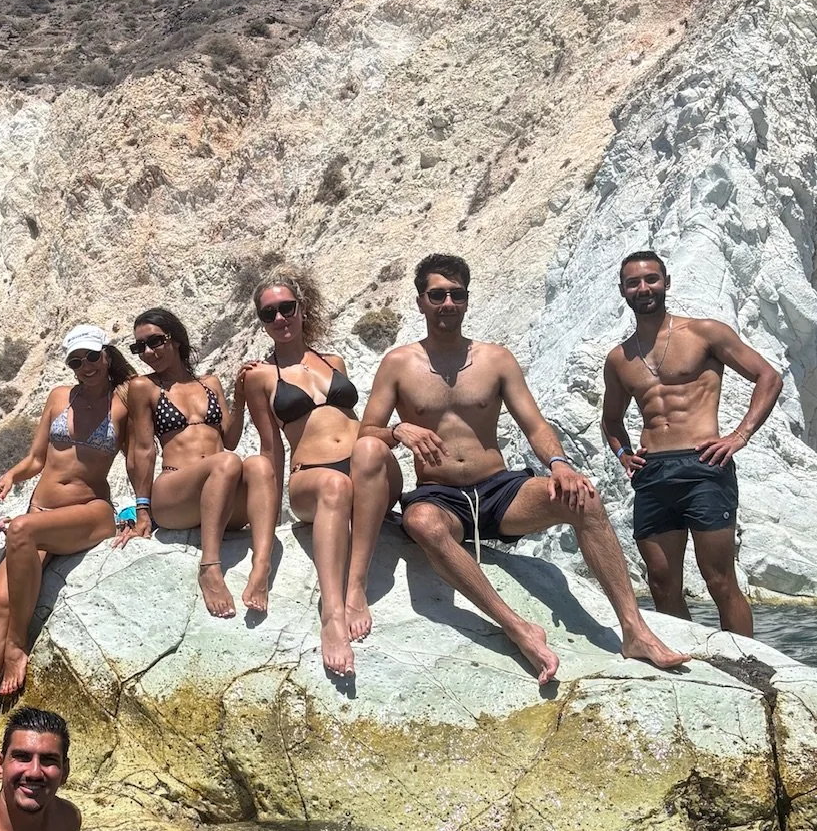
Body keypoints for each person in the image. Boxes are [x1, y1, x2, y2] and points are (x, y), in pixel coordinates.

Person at [347, 254, 689, 684]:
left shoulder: (495, 359)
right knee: (421, 523)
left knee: (583, 498)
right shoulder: (399, 363)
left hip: (498, 491)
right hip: (441, 496)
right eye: (437, 295)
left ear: (467, 301)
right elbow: (368, 433)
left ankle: (635, 631)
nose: (447, 303)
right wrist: (400, 431)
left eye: (456, 295)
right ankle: (518, 628)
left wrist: (560, 464)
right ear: (421, 302)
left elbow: (534, 424)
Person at [0, 327, 132, 769]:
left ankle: (17, 646)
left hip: (89, 512)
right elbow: (37, 458)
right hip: (38, 513)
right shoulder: (59, 397)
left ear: (107, 355)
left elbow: (142, 455)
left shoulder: (127, 400)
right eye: (75, 362)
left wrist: (141, 513)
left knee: (20, 531)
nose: (84, 368)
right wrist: (12, 476)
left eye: (91, 358)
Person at [601, 249, 782, 636]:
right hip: (652, 474)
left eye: (651, 279)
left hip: (703, 466)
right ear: (623, 290)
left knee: (719, 580)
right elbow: (611, 420)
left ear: (666, 282)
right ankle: (691, 665)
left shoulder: (705, 333)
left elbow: (768, 377)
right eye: (634, 282)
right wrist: (623, 454)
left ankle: (748, 664)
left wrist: (739, 435)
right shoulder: (619, 359)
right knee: (662, 584)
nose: (643, 287)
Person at [229, 268, 366, 673]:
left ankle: (356, 586)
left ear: (302, 309)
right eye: (268, 314)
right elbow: (271, 452)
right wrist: (263, 549)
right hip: (314, 475)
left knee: (370, 460)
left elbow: (355, 418)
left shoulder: (334, 361)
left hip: (361, 467)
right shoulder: (259, 376)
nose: (280, 319)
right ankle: (333, 613)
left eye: (286, 308)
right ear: (262, 322)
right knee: (334, 486)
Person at [117, 307, 279, 618]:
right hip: (175, 495)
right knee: (227, 463)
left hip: (221, 494)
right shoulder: (144, 387)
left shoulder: (211, 383)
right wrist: (142, 509)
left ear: (175, 340)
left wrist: (240, 399)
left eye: (155, 342)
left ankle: (261, 567)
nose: (148, 352)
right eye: (139, 347)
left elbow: (228, 440)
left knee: (260, 465)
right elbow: (142, 449)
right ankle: (209, 567)